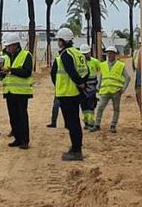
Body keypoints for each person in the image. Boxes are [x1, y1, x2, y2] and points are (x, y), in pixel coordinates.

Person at [52, 26, 88, 161]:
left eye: (59, 40)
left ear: (62, 41)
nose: (58, 42)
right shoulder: (78, 53)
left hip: (67, 94)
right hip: (75, 93)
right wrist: (82, 83)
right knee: (75, 122)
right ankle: (75, 148)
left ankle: (77, 150)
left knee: (72, 123)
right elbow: (85, 71)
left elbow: (71, 72)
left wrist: (78, 82)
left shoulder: (65, 55)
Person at [1, 33, 34, 149]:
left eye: (9, 46)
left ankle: (25, 140)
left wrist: (11, 70)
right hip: (9, 91)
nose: (8, 48)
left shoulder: (26, 55)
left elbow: (27, 72)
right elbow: (4, 73)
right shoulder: (6, 56)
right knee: (13, 116)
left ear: (16, 45)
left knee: (22, 117)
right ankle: (17, 138)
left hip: (21, 92)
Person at [92, 43, 128, 132]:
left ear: (115, 54)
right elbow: (101, 76)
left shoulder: (120, 65)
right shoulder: (103, 65)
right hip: (105, 90)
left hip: (116, 91)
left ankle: (113, 125)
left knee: (116, 109)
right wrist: (98, 86)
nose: (109, 55)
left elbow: (128, 78)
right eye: (108, 53)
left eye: (111, 53)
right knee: (100, 107)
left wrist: (123, 89)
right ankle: (97, 124)